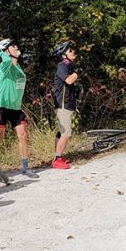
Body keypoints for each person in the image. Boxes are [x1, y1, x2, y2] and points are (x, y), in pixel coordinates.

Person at [0, 39, 38, 178]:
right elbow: (7, 61)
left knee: (23, 136)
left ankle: (25, 168)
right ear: (6, 51)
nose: (16, 47)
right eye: (12, 46)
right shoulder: (4, 66)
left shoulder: (18, 67)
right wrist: (0, 52)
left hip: (15, 108)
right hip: (1, 107)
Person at [51, 41, 80, 169]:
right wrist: (78, 73)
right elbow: (68, 80)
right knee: (66, 133)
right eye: (70, 50)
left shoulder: (67, 66)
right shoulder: (62, 65)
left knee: (60, 132)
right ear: (64, 55)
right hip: (63, 103)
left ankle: (58, 156)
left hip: (66, 102)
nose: (74, 52)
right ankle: (57, 159)